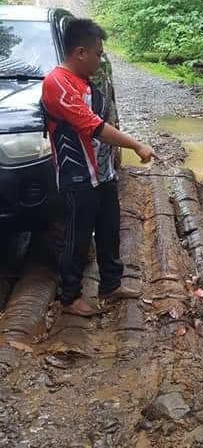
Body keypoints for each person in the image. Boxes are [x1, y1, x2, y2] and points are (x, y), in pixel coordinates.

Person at [42, 18, 155, 316]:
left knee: (108, 229)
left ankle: (110, 284)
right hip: (77, 176)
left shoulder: (84, 80)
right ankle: (69, 296)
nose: (101, 59)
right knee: (77, 238)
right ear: (80, 52)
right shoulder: (57, 83)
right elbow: (94, 127)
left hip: (102, 173)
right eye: (98, 53)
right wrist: (136, 144)